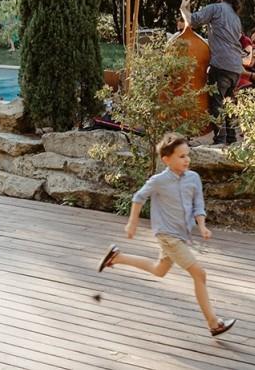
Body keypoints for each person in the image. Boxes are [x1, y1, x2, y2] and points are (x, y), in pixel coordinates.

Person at [95, 134, 237, 337]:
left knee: (159, 270)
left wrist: (202, 226)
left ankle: (117, 257)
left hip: (181, 234)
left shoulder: (193, 178)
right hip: (167, 235)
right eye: (181, 156)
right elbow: (138, 198)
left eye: (188, 155)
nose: (186, 160)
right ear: (166, 159)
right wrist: (132, 223)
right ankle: (213, 323)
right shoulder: (159, 181)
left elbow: (199, 205)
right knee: (199, 274)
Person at [181, 0, 244, 144]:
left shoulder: (216, 9)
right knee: (229, 103)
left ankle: (220, 139)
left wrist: (184, 6)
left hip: (221, 63)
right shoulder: (236, 18)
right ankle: (231, 138)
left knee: (216, 102)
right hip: (236, 66)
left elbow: (191, 21)